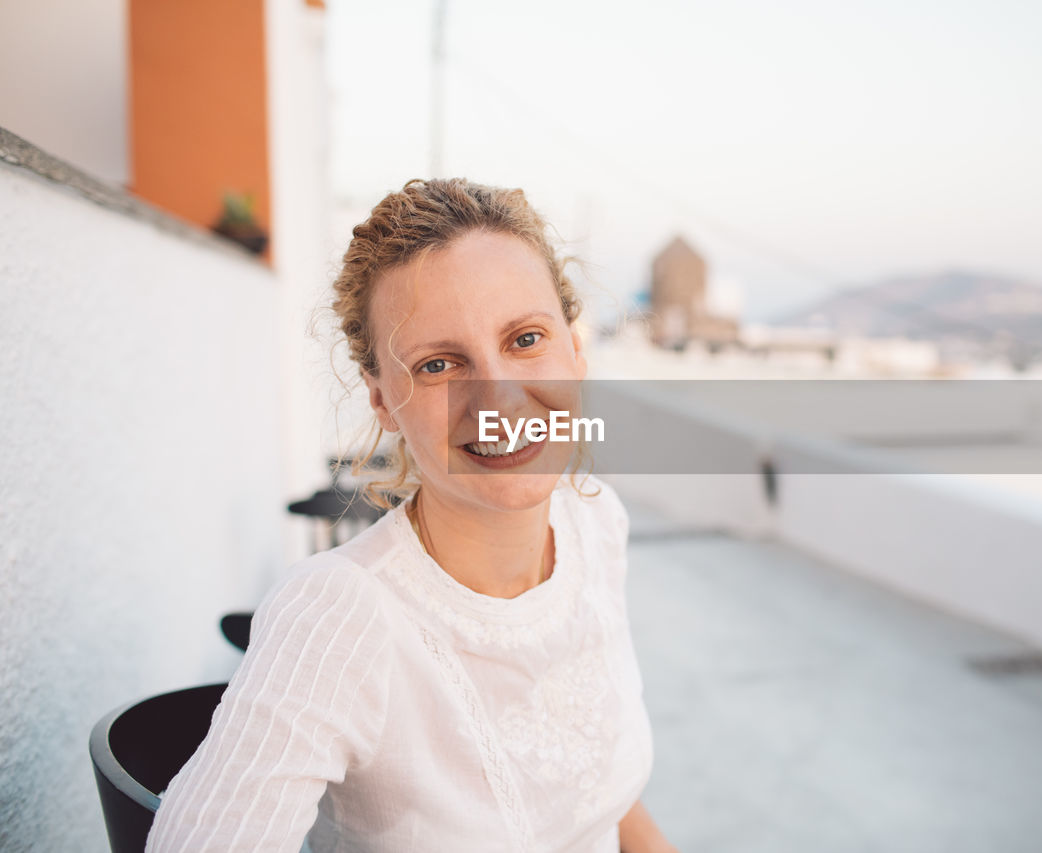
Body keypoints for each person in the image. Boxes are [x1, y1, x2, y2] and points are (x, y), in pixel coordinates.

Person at [147, 178, 677, 853]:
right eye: (438, 364)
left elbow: (601, 797)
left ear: (574, 350)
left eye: (525, 339)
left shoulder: (595, 522)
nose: (500, 400)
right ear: (383, 401)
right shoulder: (339, 615)